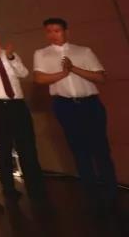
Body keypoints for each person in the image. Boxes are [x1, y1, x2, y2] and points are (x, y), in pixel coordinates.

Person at [32, 17, 117, 210]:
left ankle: (111, 190)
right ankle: (91, 193)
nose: (53, 35)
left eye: (57, 31)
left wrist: (73, 69)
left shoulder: (83, 51)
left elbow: (100, 77)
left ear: (66, 32)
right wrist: (63, 74)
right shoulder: (42, 53)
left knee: (101, 148)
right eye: (49, 31)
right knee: (79, 149)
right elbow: (39, 79)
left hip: (90, 104)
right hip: (65, 105)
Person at [0, 22, 45, 202]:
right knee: (2, 147)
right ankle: (9, 189)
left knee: (27, 146)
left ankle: (35, 186)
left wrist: (10, 57)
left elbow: (24, 73)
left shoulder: (9, 53)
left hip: (17, 104)